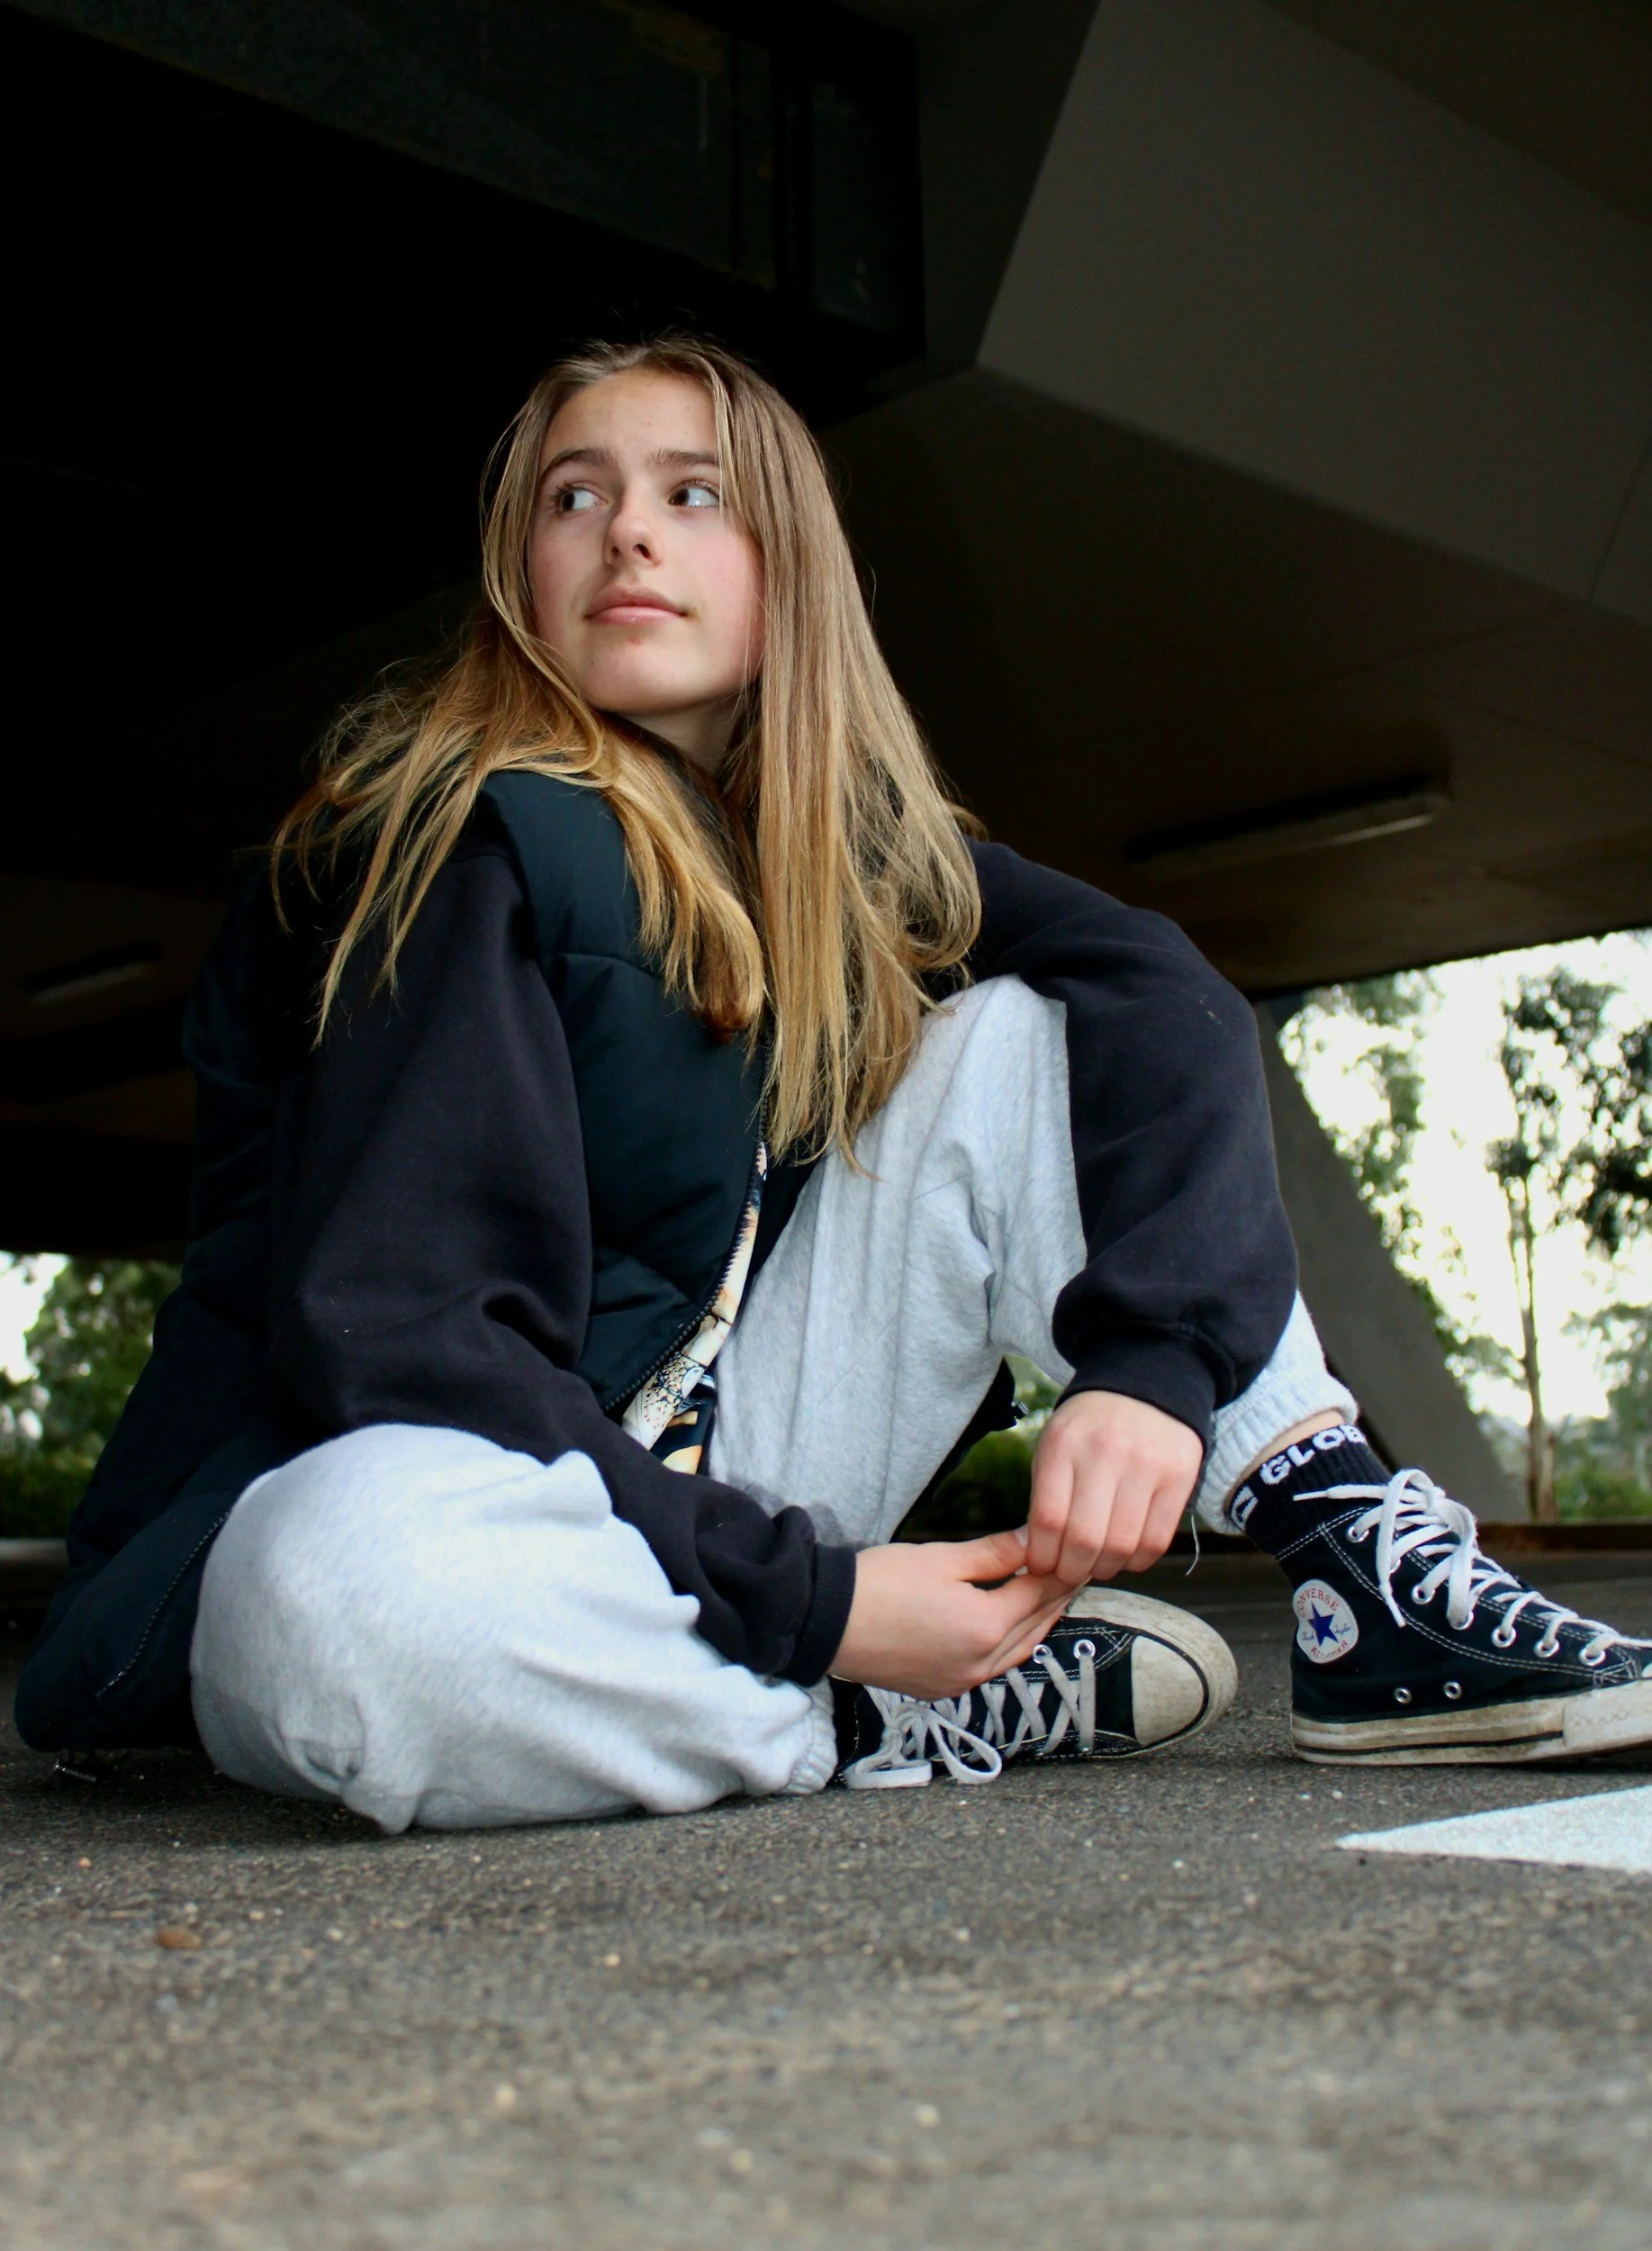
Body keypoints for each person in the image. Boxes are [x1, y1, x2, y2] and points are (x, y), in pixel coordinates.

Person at [18, 337, 1652, 1828]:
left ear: (784, 569)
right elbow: (401, 1349)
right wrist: (830, 1610)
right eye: (571, 498)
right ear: (522, 574)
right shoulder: (445, 835)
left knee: (1029, 1029)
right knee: (346, 1595)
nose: (625, 535)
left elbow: (1156, 989)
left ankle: (1347, 1556)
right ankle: (856, 1716)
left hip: (707, 1490)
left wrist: (1148, 1366)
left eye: (691, 493)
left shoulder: (830, 860)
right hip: (425, 1494)